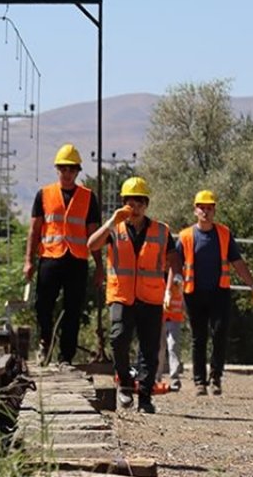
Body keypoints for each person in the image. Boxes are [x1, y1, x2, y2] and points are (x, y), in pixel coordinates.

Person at [88, 177, 180, 413]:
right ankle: (125, 383)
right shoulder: (115, 229)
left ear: (146, 204)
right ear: (123, 203)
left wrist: (174, 282)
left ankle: (146, 396)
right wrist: (110, 221)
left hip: (151, 297)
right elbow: (92, 245)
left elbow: (173, 259)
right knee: (118, 337)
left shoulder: (161, 230)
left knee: (149, 349)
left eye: (140, 202)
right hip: (121, 295)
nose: (135, 206)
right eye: (131, 201)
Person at [24, 144, 104, 366]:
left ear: (77, 171)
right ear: (57, 170)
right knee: (43, 306)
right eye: (63, 169)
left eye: (71, 169)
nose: (67, 173)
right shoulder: (44, 195)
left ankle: (65, 356)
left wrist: (99, 267)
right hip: (50, 258)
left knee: (73, 309)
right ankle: (46, 341)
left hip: (77, 260)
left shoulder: (89, 198)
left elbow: (94, 234)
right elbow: (35, 229)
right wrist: (28, 260)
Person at [179, 189, 253, 396]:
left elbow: (238, 263)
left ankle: (215, 378)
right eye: (202, 208)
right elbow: (174, 264)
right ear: (195, 210)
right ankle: (199, 381)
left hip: (219, 292)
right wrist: (168, 290)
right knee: (199, 338)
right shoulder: (185, 236)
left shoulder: (224, 234)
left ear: (214, 210)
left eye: (209, 208)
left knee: (219, 333)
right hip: (194, 293)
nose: (205, 212)